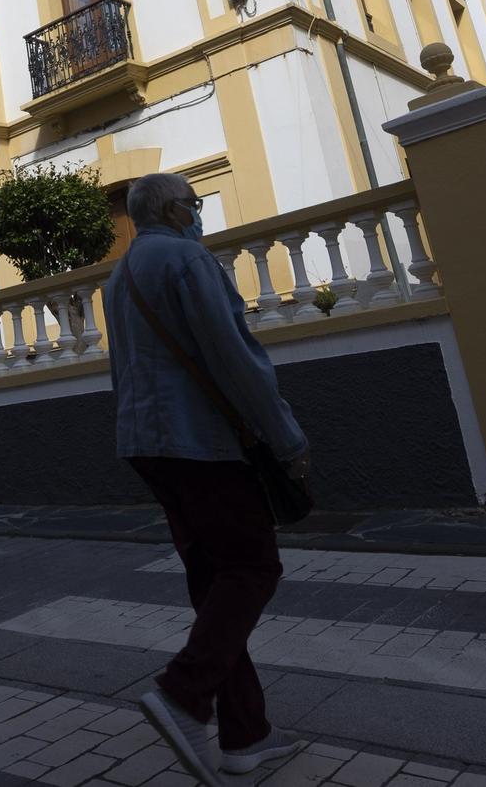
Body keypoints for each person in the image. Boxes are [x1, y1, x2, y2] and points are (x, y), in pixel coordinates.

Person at [103, 173, 311, 784]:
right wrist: (287, 437)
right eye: (194, 204)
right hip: (201, 444)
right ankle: (183, 693)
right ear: (173, 209)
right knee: (252, 567)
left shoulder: (120, 275)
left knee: (215, 582)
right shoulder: (187, 258)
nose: (199, 214)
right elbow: (234, 355)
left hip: (147, 444)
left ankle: (246, 735)